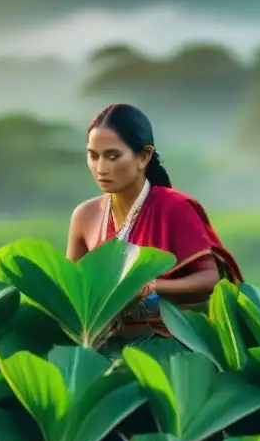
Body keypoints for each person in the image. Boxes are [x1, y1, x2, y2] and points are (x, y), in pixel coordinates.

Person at [67, 103, 243, 339]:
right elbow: (72, 288)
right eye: (93, 156)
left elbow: (210, 279)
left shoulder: (175, 208)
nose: (101, 168)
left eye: (112, 156)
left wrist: (148, 288)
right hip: (99, 346)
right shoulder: (84, 215)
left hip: (168, 343)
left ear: (144, 157)